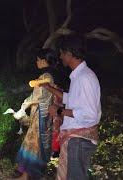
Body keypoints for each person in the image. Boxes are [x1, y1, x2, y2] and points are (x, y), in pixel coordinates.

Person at [40, 35, 101, 180]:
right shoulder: (79, 76)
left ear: (69, 53)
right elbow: (72, 99)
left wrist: (59, 111)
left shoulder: (84, 78)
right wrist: (49, 88)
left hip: (79, 140)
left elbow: (89, 113)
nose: (60, 57)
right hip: (76, 139)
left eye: (61, 53)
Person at [14, 48, 62, 180]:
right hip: (45, 115)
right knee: (36, 144)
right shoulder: (50, 75)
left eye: (37, 59)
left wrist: (23, 106)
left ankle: (25, 176)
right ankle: (27, 174)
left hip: (41, 115)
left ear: (43, 60)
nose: (36, 62)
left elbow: (36, 96)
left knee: (33, 144)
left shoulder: (45, 77)